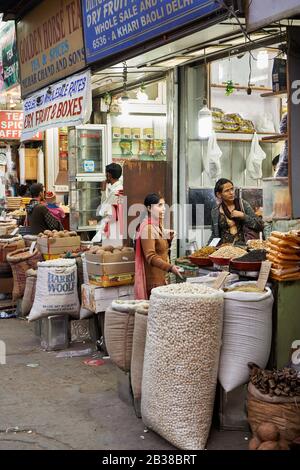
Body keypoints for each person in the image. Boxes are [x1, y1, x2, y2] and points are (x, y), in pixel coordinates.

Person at [134, 193, 182, 300]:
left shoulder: (157, 226)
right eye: (159, 205)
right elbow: (150, 256)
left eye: (164, 205)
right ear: (149, 208)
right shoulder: (148, 228)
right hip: (153, 282)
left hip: (161, 279)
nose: (164, 208)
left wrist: (168, 237)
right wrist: (170, 267)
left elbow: (160, 247)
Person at [208, 179, 264, 245]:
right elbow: (215, 234)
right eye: (227, 191)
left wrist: (243, 216)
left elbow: (259, 225)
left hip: (243, 248)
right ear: (219, 194)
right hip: (223, 250)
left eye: (232, 189)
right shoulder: (215, 211)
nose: (231, 192)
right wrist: (207, 248)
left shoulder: (243, 204)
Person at [93, 163, 124, 246]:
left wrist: (103, 191)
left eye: (105, 174)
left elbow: (102, 211)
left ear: (109, 175)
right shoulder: (119, 188)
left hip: (111, 225)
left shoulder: (115, 192)